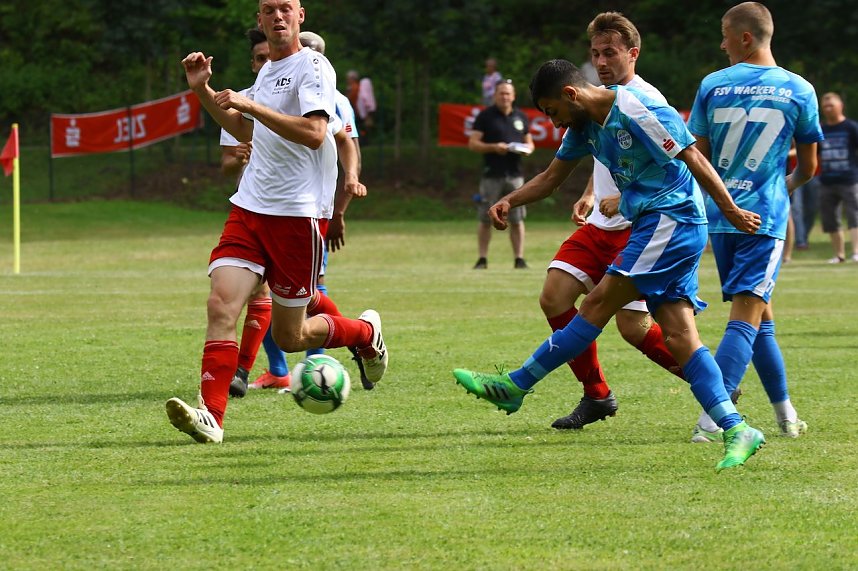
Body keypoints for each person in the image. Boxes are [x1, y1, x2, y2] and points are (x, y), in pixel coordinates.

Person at [453, 58, 767, 472]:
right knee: (679, 336)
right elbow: (550, 179)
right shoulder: (583, 127)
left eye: (553, 112)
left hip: (672, 220)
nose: (556, 123)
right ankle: (737, 428)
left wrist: (729, 209)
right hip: (656, 224)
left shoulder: (637, 108)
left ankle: (516, 384)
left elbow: (693, 157)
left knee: (597, 305)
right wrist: (510, 200)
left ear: (571, 94)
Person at [166, 0, 388, 444]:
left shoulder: (315, 66)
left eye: (286, 9)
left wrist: (251, 104)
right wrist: (203, 92)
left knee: (292, 336)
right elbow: (246, 131)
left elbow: (314, 134)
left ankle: (366, 333)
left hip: (297, 215)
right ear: (260, 20)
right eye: (269, 10)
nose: (278, 17)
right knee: (220, 305)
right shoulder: (266, 72)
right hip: (250, 209)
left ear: (300, 16)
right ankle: (212, 417)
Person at [543, 12, 688, 431]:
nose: (602, 61)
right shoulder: (597, 99)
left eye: (610, 52)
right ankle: (597, 394)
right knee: (554, 296)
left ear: (633, 53)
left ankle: (711, 382)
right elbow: (608, 154)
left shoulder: (646, 101)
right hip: (601, 226)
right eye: (595, 53)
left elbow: (671, 165)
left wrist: (624, 195)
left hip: (640, 227)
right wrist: (591, 192)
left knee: (633, 327)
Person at [687, 1, 821, 441]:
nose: (721, 43)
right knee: (747, 315)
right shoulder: (799, 89)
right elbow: (808, 168)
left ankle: (786, 414)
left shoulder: (712, 84)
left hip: (722, 219)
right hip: (763, 219)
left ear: (745, 37)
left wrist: (723, 195)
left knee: (760, 317)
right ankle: (712, 421)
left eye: (726, 34)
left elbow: (698, 158)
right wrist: (780, 188)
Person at [218, 27, 294, 397]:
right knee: (255, 294)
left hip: (291, 210)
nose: (267, 62)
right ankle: (248, 371)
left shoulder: (296, 94)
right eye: (259, 58)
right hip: (250, 209)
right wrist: (237, 159)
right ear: (253, 64)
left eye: (270, 55)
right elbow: (226, 166)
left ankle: (360, 334)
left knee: (292, 297)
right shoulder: (238, 101)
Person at [298, 29, 375, 391]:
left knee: (308, 288)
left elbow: (348, 148)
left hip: (313, 208)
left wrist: (340, 211)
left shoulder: (335, 99)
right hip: (281, 206)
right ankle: (280, 369)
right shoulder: (282, 87)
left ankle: (316, 364)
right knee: (271, 290)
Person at [468, 79, 534, 270]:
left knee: (517, 218)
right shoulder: (485, 117)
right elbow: (473, 143)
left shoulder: (521, 116)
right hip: (491, 175)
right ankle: (482, 259)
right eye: (501, 93)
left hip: (515, 175)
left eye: (508, 93)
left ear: (513, 96)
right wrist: (493, 147)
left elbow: (530, 143)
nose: (504, 97)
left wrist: (525, 149)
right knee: (485, 217)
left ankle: (519, 259)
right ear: (495, 96)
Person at [817, 92, 858, 263]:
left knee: (854, 215)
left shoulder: (851, 127)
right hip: (827, 180)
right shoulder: (821, 130)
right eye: (825, 106)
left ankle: (856, 252)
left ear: (841, 105)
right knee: (830, 219)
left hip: (849, 179)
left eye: (831, 104)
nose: (827, 108)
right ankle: (839, 255)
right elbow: (816, 154)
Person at [346, 70, 376, 143]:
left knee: (359, 128)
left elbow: (349, 99)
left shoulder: (354, 88)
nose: (347, 80)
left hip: (356, 112)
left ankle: (362, 142)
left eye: (348, 78)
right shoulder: (354, 87)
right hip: (357, 112)